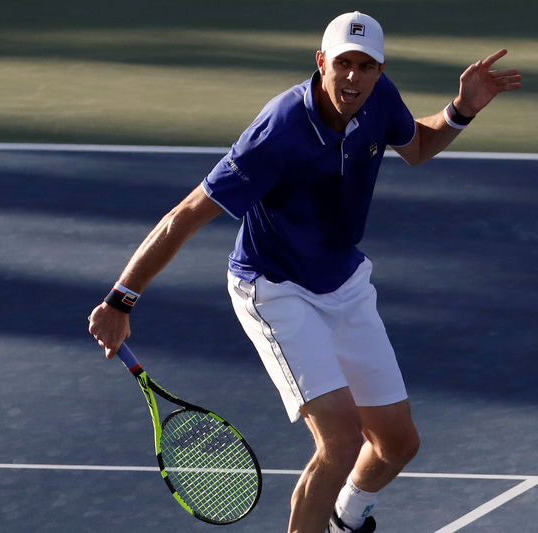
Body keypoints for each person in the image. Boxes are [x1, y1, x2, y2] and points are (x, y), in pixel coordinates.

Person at [88, 11, 521, 533]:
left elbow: (420, 147)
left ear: (380, 70)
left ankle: (347, 516)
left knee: (397, 444)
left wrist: (460, 110)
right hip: (275, 290)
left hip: (344, 282)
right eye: (343, 64)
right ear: (321, 63)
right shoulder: (279, 129)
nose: (353, 78)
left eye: (366, 66)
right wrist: (120, 299)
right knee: (339, 443)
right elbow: (185, 215)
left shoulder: (380, 99)